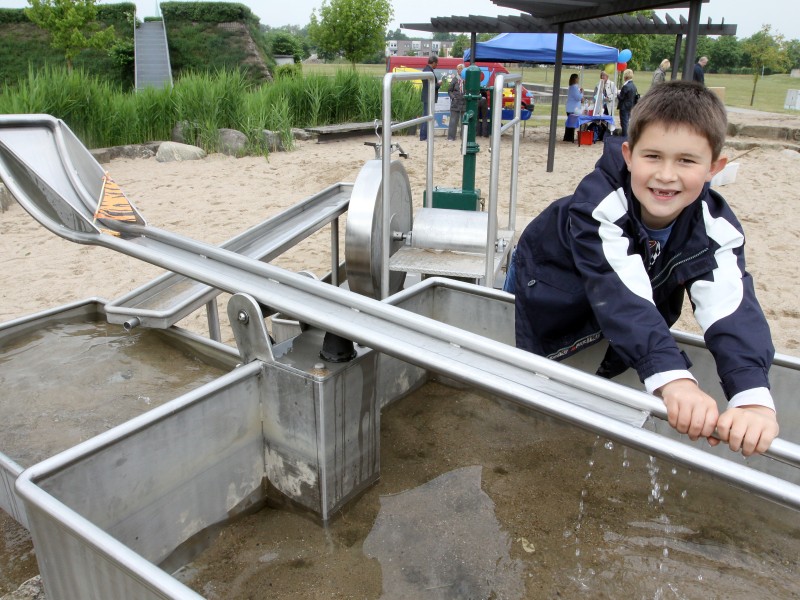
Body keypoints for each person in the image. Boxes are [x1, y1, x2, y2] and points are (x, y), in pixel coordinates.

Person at [505, 81, 779, 456]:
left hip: (622, 293)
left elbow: (731, 305)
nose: (666, 175)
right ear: (629, 155)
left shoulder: (716, 227)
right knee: (520, 362)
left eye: (686, 160)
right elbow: (620, 292)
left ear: (715, 167)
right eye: (653, 156)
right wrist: (675, 380)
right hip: (546, 276)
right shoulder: (599, 203)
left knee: (615, 348)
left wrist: (751, 396)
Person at [420, 55, 441, 142]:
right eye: (437, 64)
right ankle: (425, 136)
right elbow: (431, 86)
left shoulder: (425, 70)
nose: (437, 65)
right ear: (433, 63)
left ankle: (424, 136)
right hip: (429, 97)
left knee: (426, 116)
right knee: (427, 117)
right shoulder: (429, 71)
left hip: (426, 96)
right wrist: (438, 84)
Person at [616, 68, 638, 137]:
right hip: (630, 106)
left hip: (624, 106)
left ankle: (624, 136)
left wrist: (617, 94)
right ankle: (627, 135)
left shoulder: (625, 86)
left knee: (624, 123)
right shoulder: (634, 86)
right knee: (627, 121)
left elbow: (621, 97)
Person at [447, 64, 466, 142]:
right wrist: (453, 97)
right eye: (458, 69)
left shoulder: (467, 80)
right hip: (456, 102)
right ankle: (451, 137)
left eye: (460, 69)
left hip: (464, 102)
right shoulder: (455, 79)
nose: (459, 70)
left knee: (464, 121)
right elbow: (449, 90)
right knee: (453, 120)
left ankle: (464, 136)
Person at [563, 73, 583, 143]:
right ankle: (569, 138)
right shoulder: (574, 87)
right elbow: (578, 97)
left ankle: (568, 137)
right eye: (577, 78)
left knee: (570, 124)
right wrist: (581, 93)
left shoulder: (571, 87)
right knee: (571, 125)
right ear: (575, 79)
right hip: (573, 109)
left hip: (570, 108)